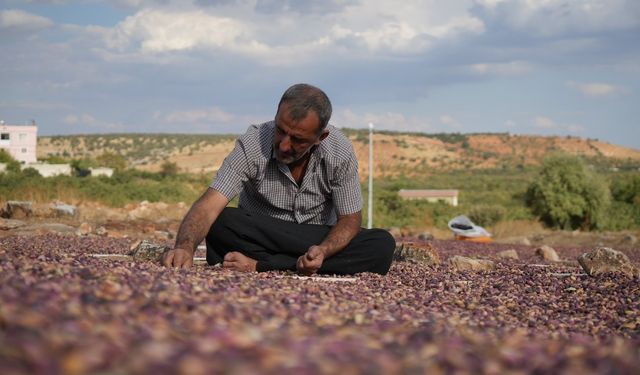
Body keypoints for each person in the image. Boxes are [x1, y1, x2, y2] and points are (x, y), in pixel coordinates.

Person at [162, 83, 395, 275]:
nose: (284, 145)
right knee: (222, 221)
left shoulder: (339, 151)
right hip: (263, 233)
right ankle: (294, 264)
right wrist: (184, 247)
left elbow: (349, 220)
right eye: (280, 130)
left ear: (320, 137)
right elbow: (209, 204)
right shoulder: (253, 143)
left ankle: (262, 265)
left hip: (315, 237)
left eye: (298, 140)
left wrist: (323, 251)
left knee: (382, 245)